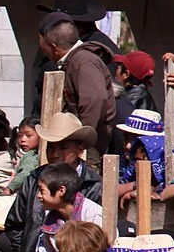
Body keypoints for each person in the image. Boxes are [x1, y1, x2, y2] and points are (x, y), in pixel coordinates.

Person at [3, 112, 104, 252]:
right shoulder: (34, 179)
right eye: (51, 147)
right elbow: (14, 224)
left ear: (80, 149)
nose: (55, 154)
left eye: (63, 147)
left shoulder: (94, 185)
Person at [38, 12, 116, 153]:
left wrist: (82, 141)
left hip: (84, 149)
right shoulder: (74, 61)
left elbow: (95, 99)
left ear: (54, 47)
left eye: (42, 44)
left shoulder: (84, 62)